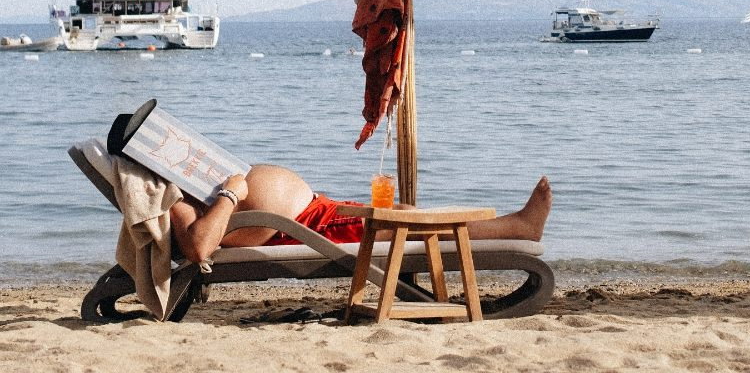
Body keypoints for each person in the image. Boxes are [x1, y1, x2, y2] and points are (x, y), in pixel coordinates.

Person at [170, 164, 552, 263]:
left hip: (312, 213)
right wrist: (231, 194)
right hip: (303, 228)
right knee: (406, 224)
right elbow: (199, 248)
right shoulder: (172, 199)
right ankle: (518, 227)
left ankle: (515, 225)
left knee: (403, 214)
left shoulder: (175, 189)